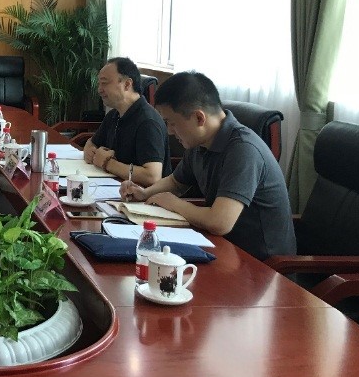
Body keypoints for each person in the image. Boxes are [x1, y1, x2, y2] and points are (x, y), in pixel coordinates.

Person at [120, 71, 296, 260]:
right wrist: (145, 193)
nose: (169, 131)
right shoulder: (199, 142)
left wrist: (173, 203)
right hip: (222, 247)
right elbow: (176, 182)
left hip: (261, 264)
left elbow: (220, 222)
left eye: (171, 123)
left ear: (199, 118)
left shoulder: (243, 150)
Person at [83, 57, 170, 186]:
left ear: (127, 84)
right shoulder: (114, 114)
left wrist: (108, 163)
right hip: (116, 187)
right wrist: (90, 150)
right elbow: (92, 142)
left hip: (144, 196)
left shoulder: (148, 122)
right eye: (99, 84)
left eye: (104, 83)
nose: (99, 89)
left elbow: (152, 176)